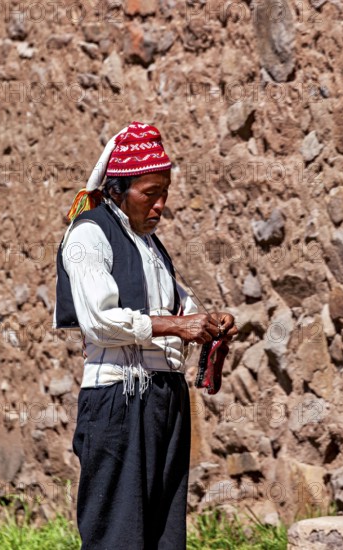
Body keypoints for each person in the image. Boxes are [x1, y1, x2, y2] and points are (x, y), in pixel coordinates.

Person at [54, 121, 238, 549]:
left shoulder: (152, 249)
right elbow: (100, 319)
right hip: (119, 403)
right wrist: (177, 326)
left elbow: (179, 308)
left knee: (163, 534)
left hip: (163, 401)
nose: (159, 206)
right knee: (118, 534)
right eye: (149, 194)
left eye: (164, 194)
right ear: (117, 190)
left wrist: (209, 322)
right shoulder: (89, 235)